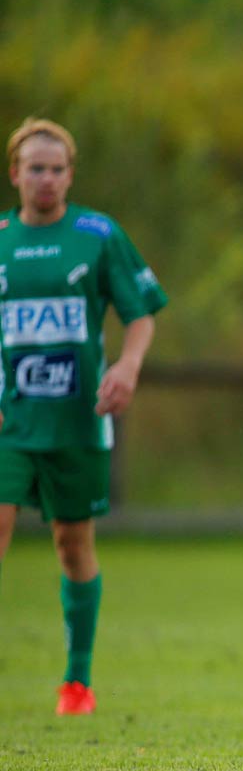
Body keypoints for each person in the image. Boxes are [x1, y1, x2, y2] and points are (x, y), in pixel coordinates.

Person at [0, 118, 168, 715]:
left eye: (56, 169)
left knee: (72, 545)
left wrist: (127, 365)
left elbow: (140, 312)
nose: (45, 178)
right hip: (9, 422)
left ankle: (77, 681)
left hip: (77, 420)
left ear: (70, 175)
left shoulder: (98, 235)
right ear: (15, 173)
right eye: (34, 168)